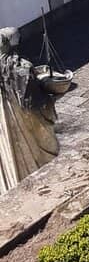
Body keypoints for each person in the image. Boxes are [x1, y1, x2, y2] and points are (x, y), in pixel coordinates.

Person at [0, 28, 59, 193]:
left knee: (9, 153)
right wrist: (48, 94)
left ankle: (10, 183)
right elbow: (37, 104)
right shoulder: (22, 67)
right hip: (22, 119)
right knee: (33, 150)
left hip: (3, 123)